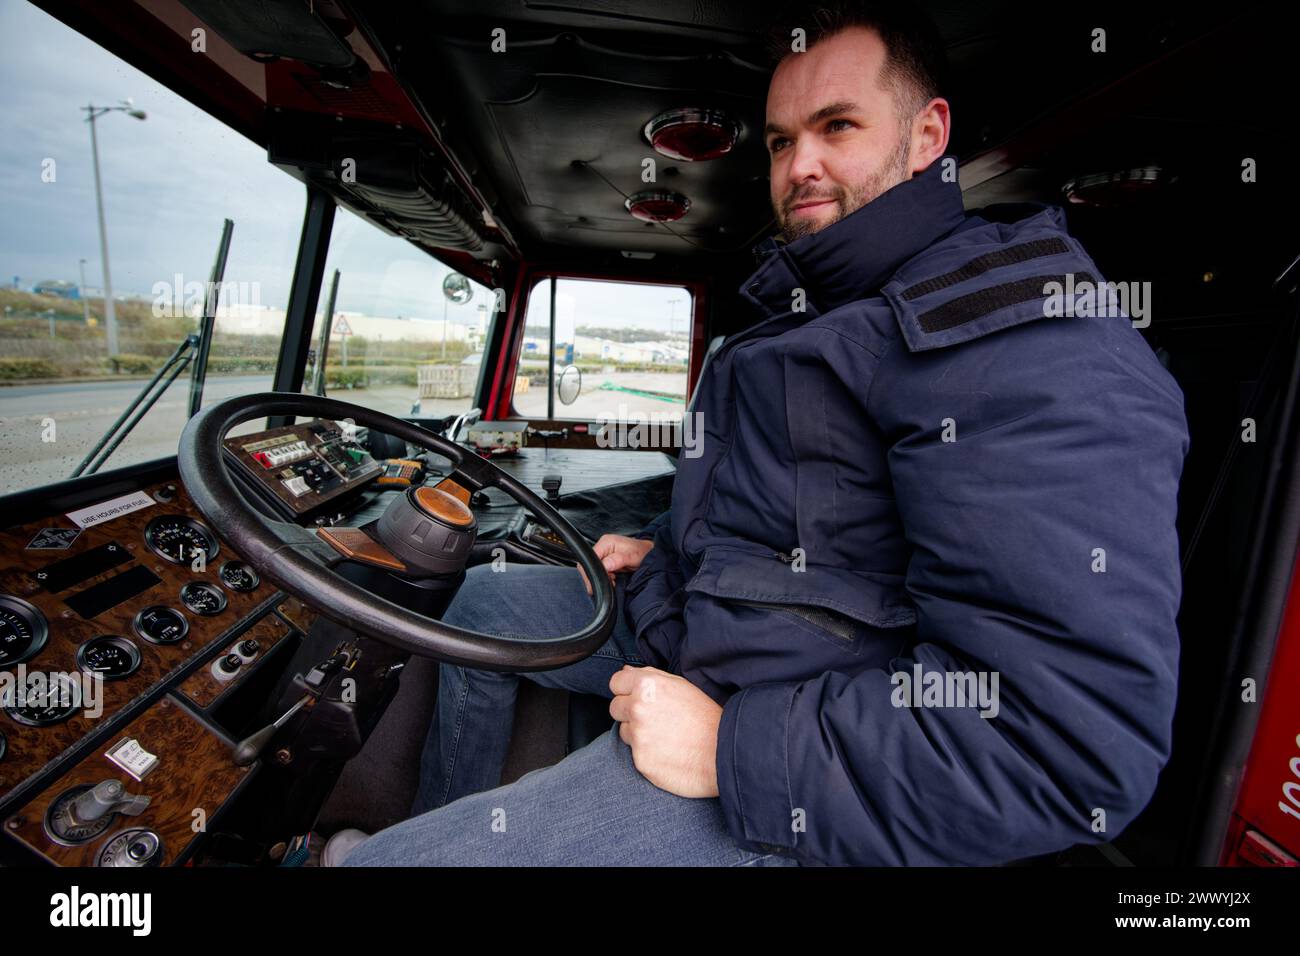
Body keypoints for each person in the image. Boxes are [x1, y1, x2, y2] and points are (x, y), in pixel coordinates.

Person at [335, 0, 1188, 867]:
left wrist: (729, 750)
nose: (800, 165)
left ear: (928, 135)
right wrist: (666, 549)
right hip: (691, 630)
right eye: (782, 141)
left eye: (837, 126)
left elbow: (1062, 748)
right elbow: (807, 522)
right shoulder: (815, 313)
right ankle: (444, 818)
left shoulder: (1016, 339)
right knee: (479, 602)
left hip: (777, 738)